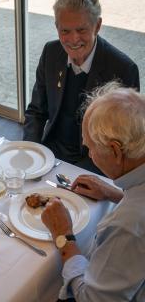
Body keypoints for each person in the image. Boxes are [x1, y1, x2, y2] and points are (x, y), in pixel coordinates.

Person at [41, 81, 145, 301]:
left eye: (90, 147)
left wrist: (63, 236)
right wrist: (115, 193)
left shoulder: (127, 225)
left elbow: (91, 298)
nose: (89, 155)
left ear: (115, 150)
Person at [23, 0, 140, 174]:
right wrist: (30, 151)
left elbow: (122, 143)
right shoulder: (51, 52)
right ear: (56, 27)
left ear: (97, 25)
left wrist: (76, 175)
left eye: (81, 30)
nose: (73, 39)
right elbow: (36, 111)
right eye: (65, 31)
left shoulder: (123, 69)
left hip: (95, 164)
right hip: (50, 153)